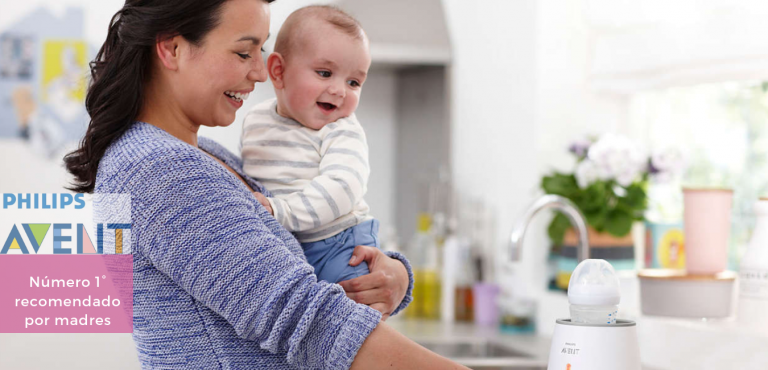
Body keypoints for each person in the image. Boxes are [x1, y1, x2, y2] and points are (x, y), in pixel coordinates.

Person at [63, 0, 467, 369]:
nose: (260, 72)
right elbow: (305, 320)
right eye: (244, 52)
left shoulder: (209, 155)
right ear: (172, 49)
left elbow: (294, 256)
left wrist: (394, 273)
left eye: (260, 52)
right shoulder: (158, 168)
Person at [241, 6, 378, 285]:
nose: (340, 90)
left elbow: (343, 186)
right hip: (291, 242)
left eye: (354, 82)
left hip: (339, 243)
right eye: (325, 73)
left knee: (349, 311)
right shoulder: (255, 120)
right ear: (278, 71)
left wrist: (281, 211)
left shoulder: (341, 129)